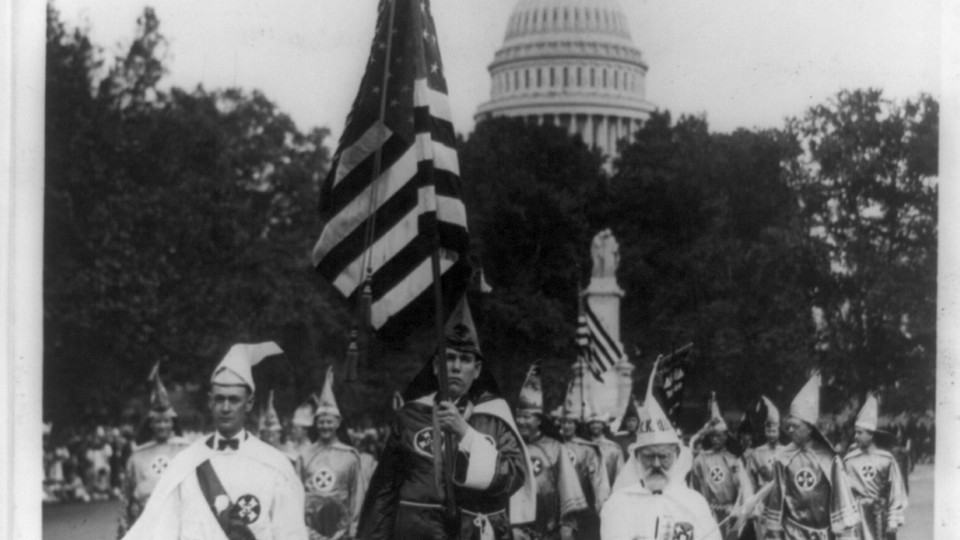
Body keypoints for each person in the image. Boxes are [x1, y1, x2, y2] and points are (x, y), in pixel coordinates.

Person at [357, 298, 534, 540]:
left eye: (465, 360)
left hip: (470, 532)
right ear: (436, 366)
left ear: (478, 369)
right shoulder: (411, 415)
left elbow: (513, 477)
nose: (456, 367)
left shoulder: (494, 417)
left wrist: (466, 434)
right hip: (416, 532)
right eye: (449, 358)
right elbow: (386, 489)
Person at [121, 341, 308, 540]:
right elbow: (162, 529)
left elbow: (290, 533)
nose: (225, 408)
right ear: (210, 401)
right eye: (219, 399)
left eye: (234, 399)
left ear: (249, 403)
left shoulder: (274, 464)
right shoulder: (186, 463)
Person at [602, 384, 719, 540]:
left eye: (663, 456)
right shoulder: (618, 504)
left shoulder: (694, 503)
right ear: (637, 457)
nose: (656, 464)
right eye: (649, 456)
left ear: (676, 456)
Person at [761, 372, 860, 540]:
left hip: (823, 533)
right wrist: (774, 530)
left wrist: (844, 533)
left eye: (795, 426)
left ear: (809, 428)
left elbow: (840, 495)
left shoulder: (829, 459)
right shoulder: (782, 458)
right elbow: (777, 498)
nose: (790, 430)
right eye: (789, 426)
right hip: (792, 532)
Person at [511, 361, 586, 540]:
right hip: (513, 531)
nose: (521, 421)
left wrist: (567, 524)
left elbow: (567, 488)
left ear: (538, 420)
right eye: (519, 416)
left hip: (548, 531)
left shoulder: (555, 448)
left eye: (526, 417)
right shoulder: (509, 445)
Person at [118, 363, 191, 537]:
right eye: (158, 421)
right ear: (151, 424)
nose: (162, 425)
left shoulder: (186, 450)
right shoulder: (138, 456)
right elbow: (127, 494)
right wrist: (124, 526)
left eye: (166, 421)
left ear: (173, 422)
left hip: (179, 520)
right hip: (147, 520)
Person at [299, 366, 365, 540]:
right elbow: (296, 495)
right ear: (315, 423)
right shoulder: (304, 456)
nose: (325, 426)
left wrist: (352, 531)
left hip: (341, 533)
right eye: (321, 422)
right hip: (309, 533)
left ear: (338, 422)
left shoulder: (350, 457)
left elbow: (357, 498)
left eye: (329, 422)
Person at [842, 394, 908, 540]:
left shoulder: (886, 460)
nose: (855, 436)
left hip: (880, 514)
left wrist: (893, 520)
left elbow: (895, 491)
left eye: (860, 433)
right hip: (857, 516)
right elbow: (844, 494)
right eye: (855, 432)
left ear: (871, 435)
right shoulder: (849, 461)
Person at [688, 394, 751, 540]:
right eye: (712, 436)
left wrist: (737, 509)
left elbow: (742, 488)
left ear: (725, 437)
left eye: (718, 436)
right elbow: (694, 488)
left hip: (729, 512)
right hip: (707, 512)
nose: (715, 439)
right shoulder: (700, 460)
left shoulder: (733, 460)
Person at [551, 396, 610, 540]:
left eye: (570, 422)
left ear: (576, 425)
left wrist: (600, 504)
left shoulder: (587, 449)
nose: (566, 426)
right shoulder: (553, 446)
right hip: (558, 502)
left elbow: (597, 480)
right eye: (564, 422)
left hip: (583, 503)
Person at [743, 396, 785, 539]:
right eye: (769, 431)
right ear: (765, 432)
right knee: (762, 532)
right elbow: (751, 480)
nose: (772, 435)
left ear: (779, 431)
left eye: (774, 431)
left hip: (780, 499)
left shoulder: (786, 452)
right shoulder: (757, 453)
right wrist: (752, 501)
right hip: (762, 499)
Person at [585, 411, 623, 488]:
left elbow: (620, 472)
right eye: (592, 423)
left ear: (603, 425)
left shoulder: (614, 447)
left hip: (610, 487)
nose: (595, 426)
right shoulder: (584, 446)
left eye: (598, 423)